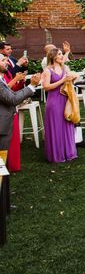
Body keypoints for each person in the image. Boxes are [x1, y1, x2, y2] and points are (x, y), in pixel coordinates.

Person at [0, 56, 40, 205]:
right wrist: (31, 86)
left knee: (4, 164)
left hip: (4, 126)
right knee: (1, 163)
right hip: (1, 128)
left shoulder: (2, 80)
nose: (7, 63)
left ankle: (4, 196)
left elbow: (12, 96)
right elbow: (12, 99)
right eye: (3, 60)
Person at [42, 48, 78, 163]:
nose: (62, 56)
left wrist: (72, 78)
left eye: (62, 54)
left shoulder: (64, 68)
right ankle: (56, 154)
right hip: (53, 102)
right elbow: (46, 87)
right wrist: (62, 80)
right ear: (53, 56)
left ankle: (68, 152)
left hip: (65, 99)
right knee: (56, 127)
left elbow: (68, 82)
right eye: (59, 54)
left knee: (67, 124)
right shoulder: (47, 70)